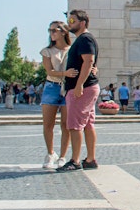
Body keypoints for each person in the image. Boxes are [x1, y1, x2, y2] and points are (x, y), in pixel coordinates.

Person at [57, 9, 99, 172]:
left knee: (75, 125)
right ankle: (90, 159)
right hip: (87, 86)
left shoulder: (85, 39)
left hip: (82, 88)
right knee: (88, 124)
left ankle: (75, 160)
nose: (69, 24)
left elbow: (88, 61)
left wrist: (79, 85)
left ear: (82, 23)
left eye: (72, 21)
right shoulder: (85, 39)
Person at [40, 21, 72, 169]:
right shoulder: (47, 51)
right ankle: (50, 153)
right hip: (51, 86)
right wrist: (65, 73)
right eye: (50, 30)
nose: (51, 33)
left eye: (54, 30)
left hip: (68, 88)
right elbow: (50, 71)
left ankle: (63, 156)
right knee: (48, 124)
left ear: (64, 32)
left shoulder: (72, 50)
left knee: (66, 125)